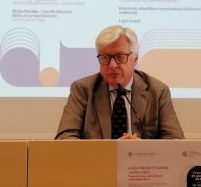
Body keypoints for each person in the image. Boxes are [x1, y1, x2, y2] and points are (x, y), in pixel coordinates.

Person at [55, 25, 184, 139]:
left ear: (135, 59)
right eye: (105, 57)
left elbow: (175, 140)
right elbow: (65, 138)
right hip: (99, 159)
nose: (112, 65)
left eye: (120, 57)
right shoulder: (83, 89)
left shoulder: (157, 91)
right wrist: (112, 149)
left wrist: (142, 149)